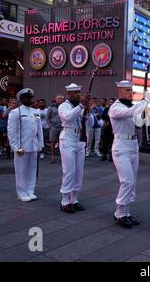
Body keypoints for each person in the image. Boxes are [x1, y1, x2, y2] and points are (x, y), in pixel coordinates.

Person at [109, 81, 150, 228]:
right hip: (121, 147)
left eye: (131, 90)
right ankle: (119, 213)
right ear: (120, 91)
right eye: (128, 90)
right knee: (127, 181)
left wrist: (146, 116)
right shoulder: (116, 107)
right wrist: (147, 99)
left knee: (132, 182)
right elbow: (131, 113)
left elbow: (138, 122)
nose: (131, 93)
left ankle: (126, 211)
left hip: (132, 146)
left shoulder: (130, 107)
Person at [58, 83, 93, 213]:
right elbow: (68, 117)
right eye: (76, 93)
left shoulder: (82, 106)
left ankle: (75, 199)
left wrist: (88, 112)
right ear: (70, 94)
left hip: (80, 139)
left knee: (79, 172)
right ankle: (65, 200)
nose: (79, 94)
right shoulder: (64, 106)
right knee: (69, 171)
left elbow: (92, 123)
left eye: (80, 92)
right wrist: (81, 106)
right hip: (68, 138)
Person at [7, 89, 44, 202]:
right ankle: (21, 192)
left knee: (32, 169)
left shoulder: (36, 112)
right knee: (21, 170)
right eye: (28, 98)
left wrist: (40, 144)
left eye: (31, 97)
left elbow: (39, 129)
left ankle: (30, 190)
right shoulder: (15, 112)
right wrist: (15, 147)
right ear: (22, 99)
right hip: (21, 147)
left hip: (33, 145)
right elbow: (11, 131)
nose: (31, 100)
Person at [47, 94, 64, 163]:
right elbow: (47, 117)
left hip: (63, 127)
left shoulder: (65, 107)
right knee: (53, 142)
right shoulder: (51, 107)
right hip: (54, 127)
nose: (60, 100)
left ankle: (62, 157)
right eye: (58, 98)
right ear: (56, 99)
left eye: (61, 98)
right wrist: (50, 126)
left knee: (62, 143)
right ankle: (52, 156)